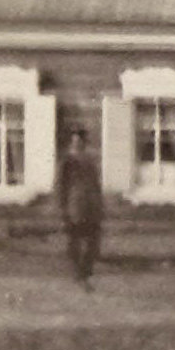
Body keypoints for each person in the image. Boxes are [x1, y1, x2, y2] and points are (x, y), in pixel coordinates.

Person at [55, 115, 105, 286]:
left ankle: (86, 269)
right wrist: (63, 208)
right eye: (74, 140)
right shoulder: (67, 162)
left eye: (80, 140)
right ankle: (77, 271)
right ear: (71, 142)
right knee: (74, 241)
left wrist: (99, 205)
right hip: (73, 206)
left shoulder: (89, 161)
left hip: (90, 206)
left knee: (93, 241)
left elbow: (96, 184)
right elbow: (61, 186)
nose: (77, 143)